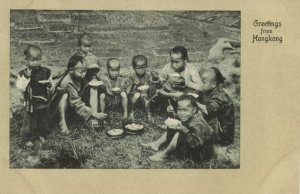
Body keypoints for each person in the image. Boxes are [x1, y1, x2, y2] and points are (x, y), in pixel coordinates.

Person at [142, 95, 214, 162]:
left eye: (185, 110)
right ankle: (156, 144)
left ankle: (165, 155)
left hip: (201, 154)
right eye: (179, 110)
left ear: (194, 110)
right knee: (174, 126)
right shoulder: (191, 116)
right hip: (194, 146)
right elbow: (179, 120)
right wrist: (171, 113)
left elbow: (196, 144)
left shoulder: (198, 123)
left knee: (179, 134)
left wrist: (184, 130)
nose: (182, 113)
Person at [48, 55, 107, 135]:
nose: (83, 74)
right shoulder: (67, 82)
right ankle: (62, 121)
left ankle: (94, 119)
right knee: (64, 95)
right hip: (60, 107)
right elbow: (76, 103)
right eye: (81, 72)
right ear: (71, 70)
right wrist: (92, 113)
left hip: (74, 104)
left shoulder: (78, 76)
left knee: (93, 86)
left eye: (85, 71)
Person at [16, 45, 52, 146]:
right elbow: (20, 87)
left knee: (42, 119)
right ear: (26, 60)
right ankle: (27, 138)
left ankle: (42, 135)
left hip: (42, 99)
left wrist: (49, 84)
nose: (35, 62)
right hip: (30, 101)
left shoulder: (46, 71)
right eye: (32, 60)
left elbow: (50, 83)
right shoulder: (23, 73)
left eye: (38, 59)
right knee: (29, 120)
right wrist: (26, 76)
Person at [197, 67, 235, 145]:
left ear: (214, 84)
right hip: (216, 127)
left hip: (222, 136)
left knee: (197, 113)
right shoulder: (209, 91)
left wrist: (193, 101)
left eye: (203, 82)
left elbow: (208, 110)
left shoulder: (219, 96)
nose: (201, 84)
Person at [76, 33, 106, 128]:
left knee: (97, 89)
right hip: (80, 85)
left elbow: (98, 71)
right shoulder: (76, 58)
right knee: (93, 88)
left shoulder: (94, 57)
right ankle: (94, 117)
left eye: (89, 46)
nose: (87, 49)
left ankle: (99, 116)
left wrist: (96, 75)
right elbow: (74, 74)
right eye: (85, 46)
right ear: (79, 46)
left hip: (91, 83)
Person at [125, 55, 158, 122]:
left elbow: (153, 89)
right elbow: (128, 91)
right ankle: (132, 111)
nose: (140, 70)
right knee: (137, 95)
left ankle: (149, 113)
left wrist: (148, 85)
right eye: (138, 68)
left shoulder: (148, 76)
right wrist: (135, 86)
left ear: (146, 67)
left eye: (143, 68)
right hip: (134, 96)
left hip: (145, 96)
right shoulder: (131, 77)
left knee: (144, 94)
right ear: (134, 68)